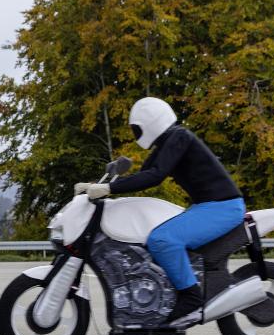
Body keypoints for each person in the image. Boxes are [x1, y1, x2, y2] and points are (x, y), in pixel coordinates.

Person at [75, 97, 245, 322]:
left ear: (150, 122)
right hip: (209, 206)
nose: (135, 133)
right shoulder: (167, 143)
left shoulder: (179, 136)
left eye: (136, 128)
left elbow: (154, 176)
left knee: (162, 240)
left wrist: (109, 188)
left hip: (223, 207)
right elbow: (144, 175)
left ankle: (191, 297)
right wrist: (96, 185)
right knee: (153, 237)